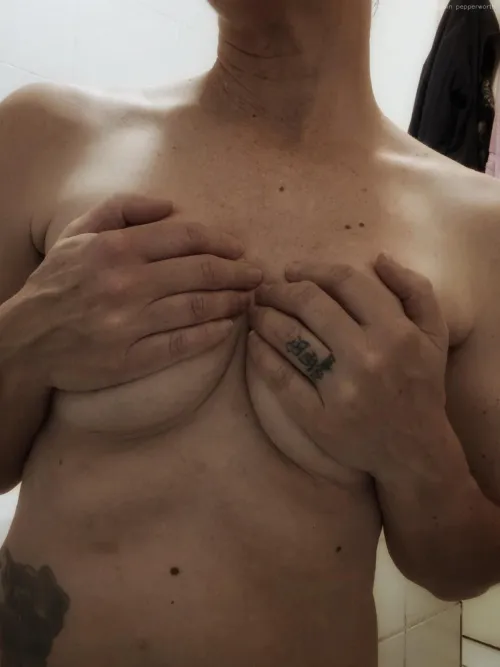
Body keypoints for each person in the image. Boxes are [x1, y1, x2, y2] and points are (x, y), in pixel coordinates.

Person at [2, 0, 500, 665]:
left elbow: (461, 572)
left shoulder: (481, 231)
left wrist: (417, 451)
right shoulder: (41, 136)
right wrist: (22, 344)